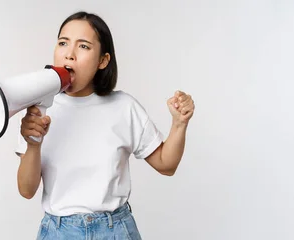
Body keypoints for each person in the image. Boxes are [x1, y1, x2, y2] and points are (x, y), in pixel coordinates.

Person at [14, 11, 195, 240]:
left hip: (115, 231)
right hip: (58, 233)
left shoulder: (124, 107)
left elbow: (166, 165)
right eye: (63, 43)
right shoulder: (39, 109)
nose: (69, 54)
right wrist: (33, 143)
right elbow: (26, 190)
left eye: (83, 46)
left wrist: (179, 123)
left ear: (103, 60)